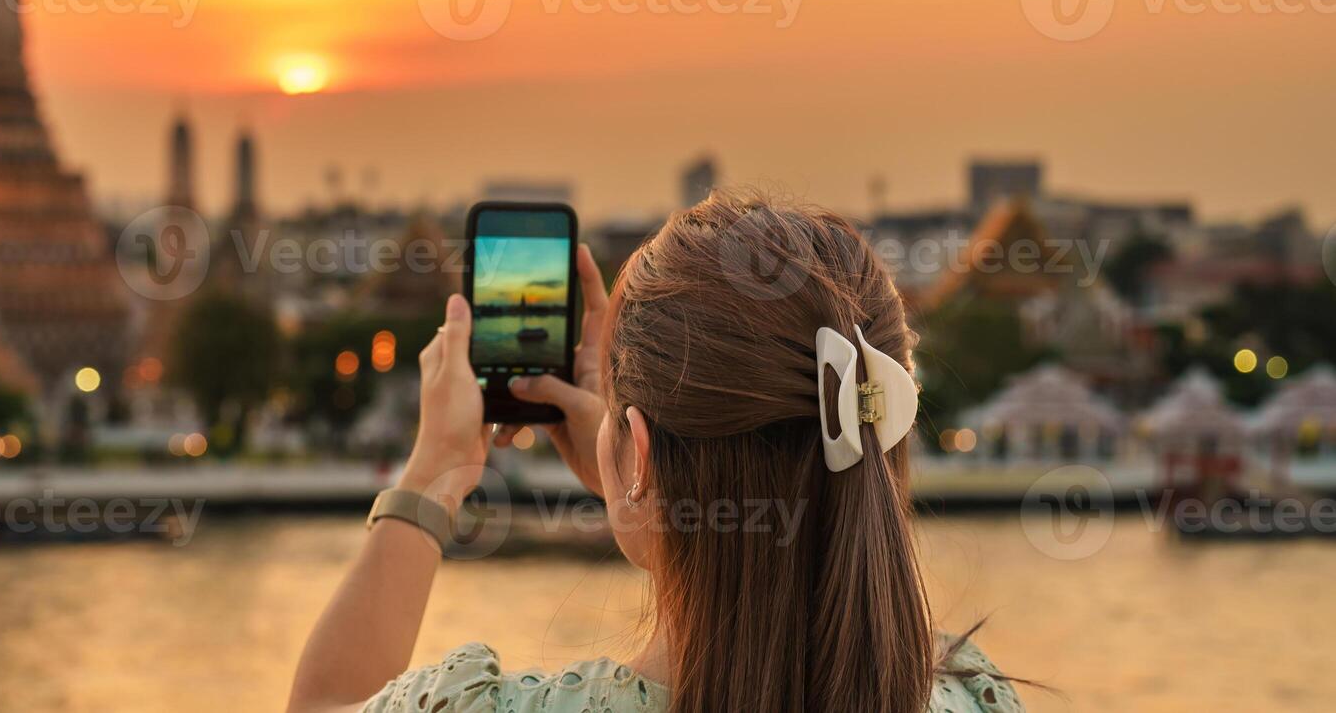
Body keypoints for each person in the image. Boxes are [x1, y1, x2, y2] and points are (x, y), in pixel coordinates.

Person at [287, 192, 1024, 713]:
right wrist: (639, 484)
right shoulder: (975, 696)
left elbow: (321, 704)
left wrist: (435, 474)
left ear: (634, 448)